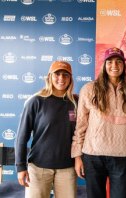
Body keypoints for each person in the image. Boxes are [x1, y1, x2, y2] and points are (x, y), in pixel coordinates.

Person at [71, 47, 126, 198]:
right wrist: (77, 157)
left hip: (121, 156)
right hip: (93, 155)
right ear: (104, 65)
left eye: (118, 61)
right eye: (109, 61)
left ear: (123, 65)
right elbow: (81, 125)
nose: (114, 65)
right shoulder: (89, 89)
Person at [15, 61, 78, 198]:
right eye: (57, 74)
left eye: (65, 75)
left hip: (67, 169)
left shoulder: (77, 102)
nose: (61, 78)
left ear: (70, 79)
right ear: (49, 77)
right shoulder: (36, 101)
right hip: (38, 168)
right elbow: (21, 137)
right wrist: (20, 167)